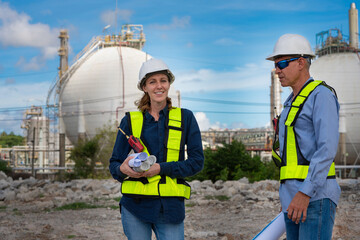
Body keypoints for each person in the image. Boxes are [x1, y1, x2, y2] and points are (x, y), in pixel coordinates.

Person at [109, 58, 204, 240]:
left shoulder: (186, 118)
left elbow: (197, 162)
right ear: (144, 87)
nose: (158, 86)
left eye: (163, 80)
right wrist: (122, 169)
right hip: (135, 206)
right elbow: (114, 164)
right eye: (152, 82)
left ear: (169, 84)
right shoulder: (130, 121)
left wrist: (160, 168)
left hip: (170, 209)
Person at [266, 34, 341, 240]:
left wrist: (304, 193)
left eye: (281, 63)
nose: (277, 70)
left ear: (301, 63)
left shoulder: (321, 95)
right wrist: (289, 195)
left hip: (314, 197)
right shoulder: (290, 102)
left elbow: (326, 149)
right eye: (275, 65)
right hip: (293, 198)